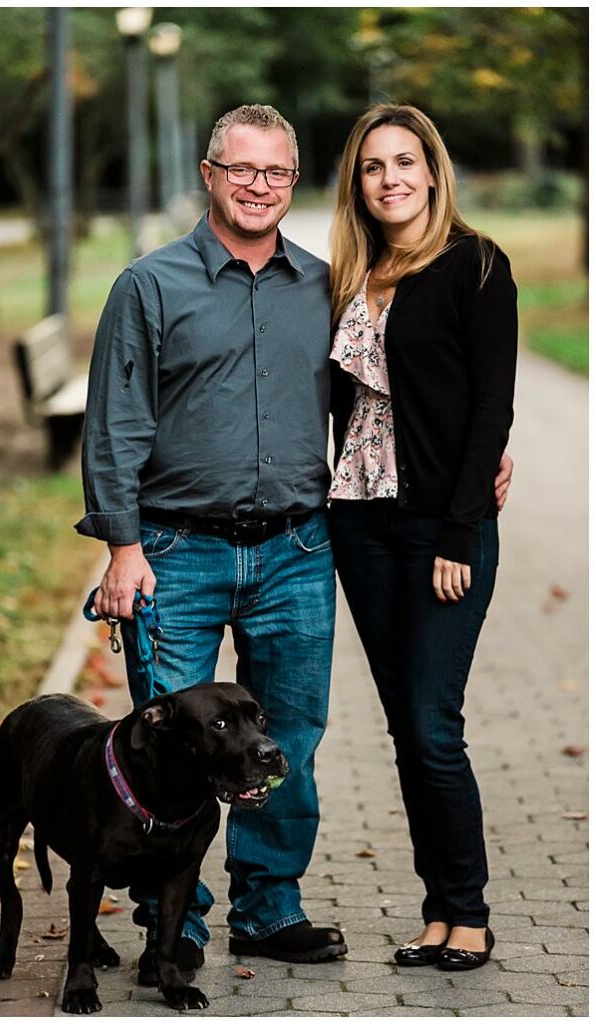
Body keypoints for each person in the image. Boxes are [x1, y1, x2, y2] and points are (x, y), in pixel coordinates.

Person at [75, 105, 347, 969]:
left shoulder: (325, 285)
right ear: (209, 174)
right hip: (174, 555)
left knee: (286, 746)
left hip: (296, 553)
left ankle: (268, 911)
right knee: (171, 754)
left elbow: (371, 407)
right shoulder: (150, 285)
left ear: (292, 181)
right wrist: (123, 548)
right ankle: (175, 924)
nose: (258, 187)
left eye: (275, 173)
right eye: (241, 170)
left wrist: (479, 459)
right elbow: (115, 425)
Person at [328, 104, 518, 970]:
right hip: (361, 524)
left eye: (406, 161)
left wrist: (461, 527)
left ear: (433, 171)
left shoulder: (476, 266)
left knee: (435, 725)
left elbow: (491, 407)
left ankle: (469, 912)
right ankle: (437, 910)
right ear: (357, 184)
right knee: (406, 726)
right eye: (374, 167)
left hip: (442, 531)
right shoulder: (351, 275)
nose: (391, 177)